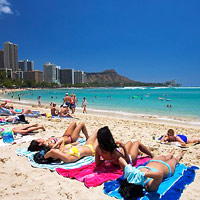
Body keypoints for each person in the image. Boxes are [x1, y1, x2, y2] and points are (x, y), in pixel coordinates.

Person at [118, 150, 184, 199]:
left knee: (165, 157)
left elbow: (120, 159)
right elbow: (160, 175)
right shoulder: (149, 186)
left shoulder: (132, 176)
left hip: (153, 161)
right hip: (167, 167)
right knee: (175, 160)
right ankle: (179, 155)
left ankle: (171, 153)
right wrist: (144, 174)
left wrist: (128, 168)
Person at [34, 127, 98, 164]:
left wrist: (53, 146)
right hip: (92, 150)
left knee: (98, 129)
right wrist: (44, 157)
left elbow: (62, 140)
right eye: (53, 155)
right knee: (103, 135)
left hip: (86, 145)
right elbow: (53, 151)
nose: (56, 150)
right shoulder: (67, 158)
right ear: (54, 158)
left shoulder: (62, 150)